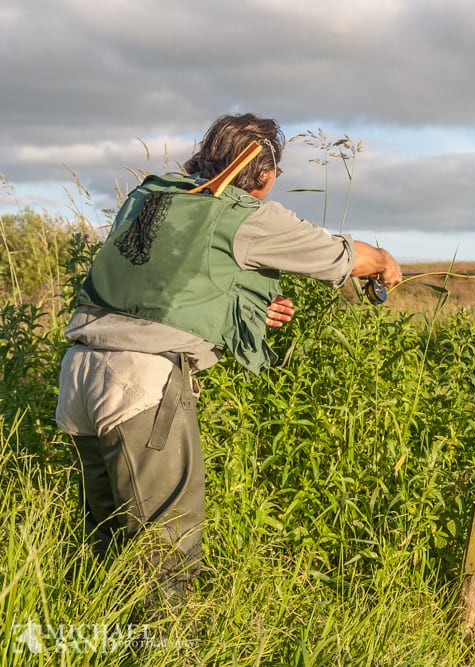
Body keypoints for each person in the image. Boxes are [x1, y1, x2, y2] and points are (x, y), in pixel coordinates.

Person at [55, 113, 402, 614]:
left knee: (106, 542)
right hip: (141, 383)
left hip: (79, 375)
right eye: (275, 175)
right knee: (164, 554)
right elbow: (341, 257)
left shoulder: (153, 196)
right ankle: (161, 651)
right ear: (264, 171)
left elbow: (175, 278)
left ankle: (94, 641)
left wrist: (252, 306)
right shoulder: (246, 214)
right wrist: (385, 260)